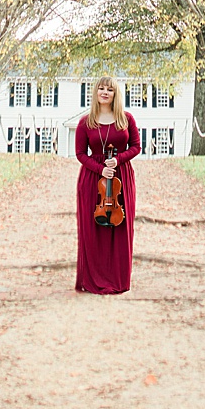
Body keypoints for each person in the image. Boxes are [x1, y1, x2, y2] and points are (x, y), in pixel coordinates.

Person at [75, 75, 140, 294]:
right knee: (93, 230)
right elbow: (81, 154)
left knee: (121, 228)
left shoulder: (126, 118)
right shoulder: (86, 122)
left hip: (121, 177)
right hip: (94, 178)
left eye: (109, 89)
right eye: (101, 89)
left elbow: (136, 146)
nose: (105, 92)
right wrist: (100, 168)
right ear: (95, 93)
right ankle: (94, 279)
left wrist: (119, 159)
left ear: (115, 94)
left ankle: (118, 280)